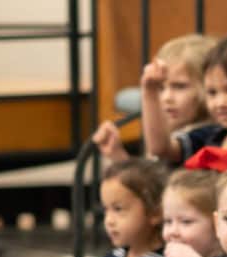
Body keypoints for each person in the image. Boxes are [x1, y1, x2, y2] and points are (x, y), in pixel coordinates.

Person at [145, 35, 227, 166]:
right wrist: (150, 90)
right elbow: (160, 149)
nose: (220, 102)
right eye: (212, 92)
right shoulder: (211, 134)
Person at [92, 34, 216, 164]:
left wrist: (150, 91)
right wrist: (119, 157)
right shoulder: (169, 132)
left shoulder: (208, 134)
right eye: (160, 87)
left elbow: (160, 149)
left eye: (179, 86)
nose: (167, 98)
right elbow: (149, 182)